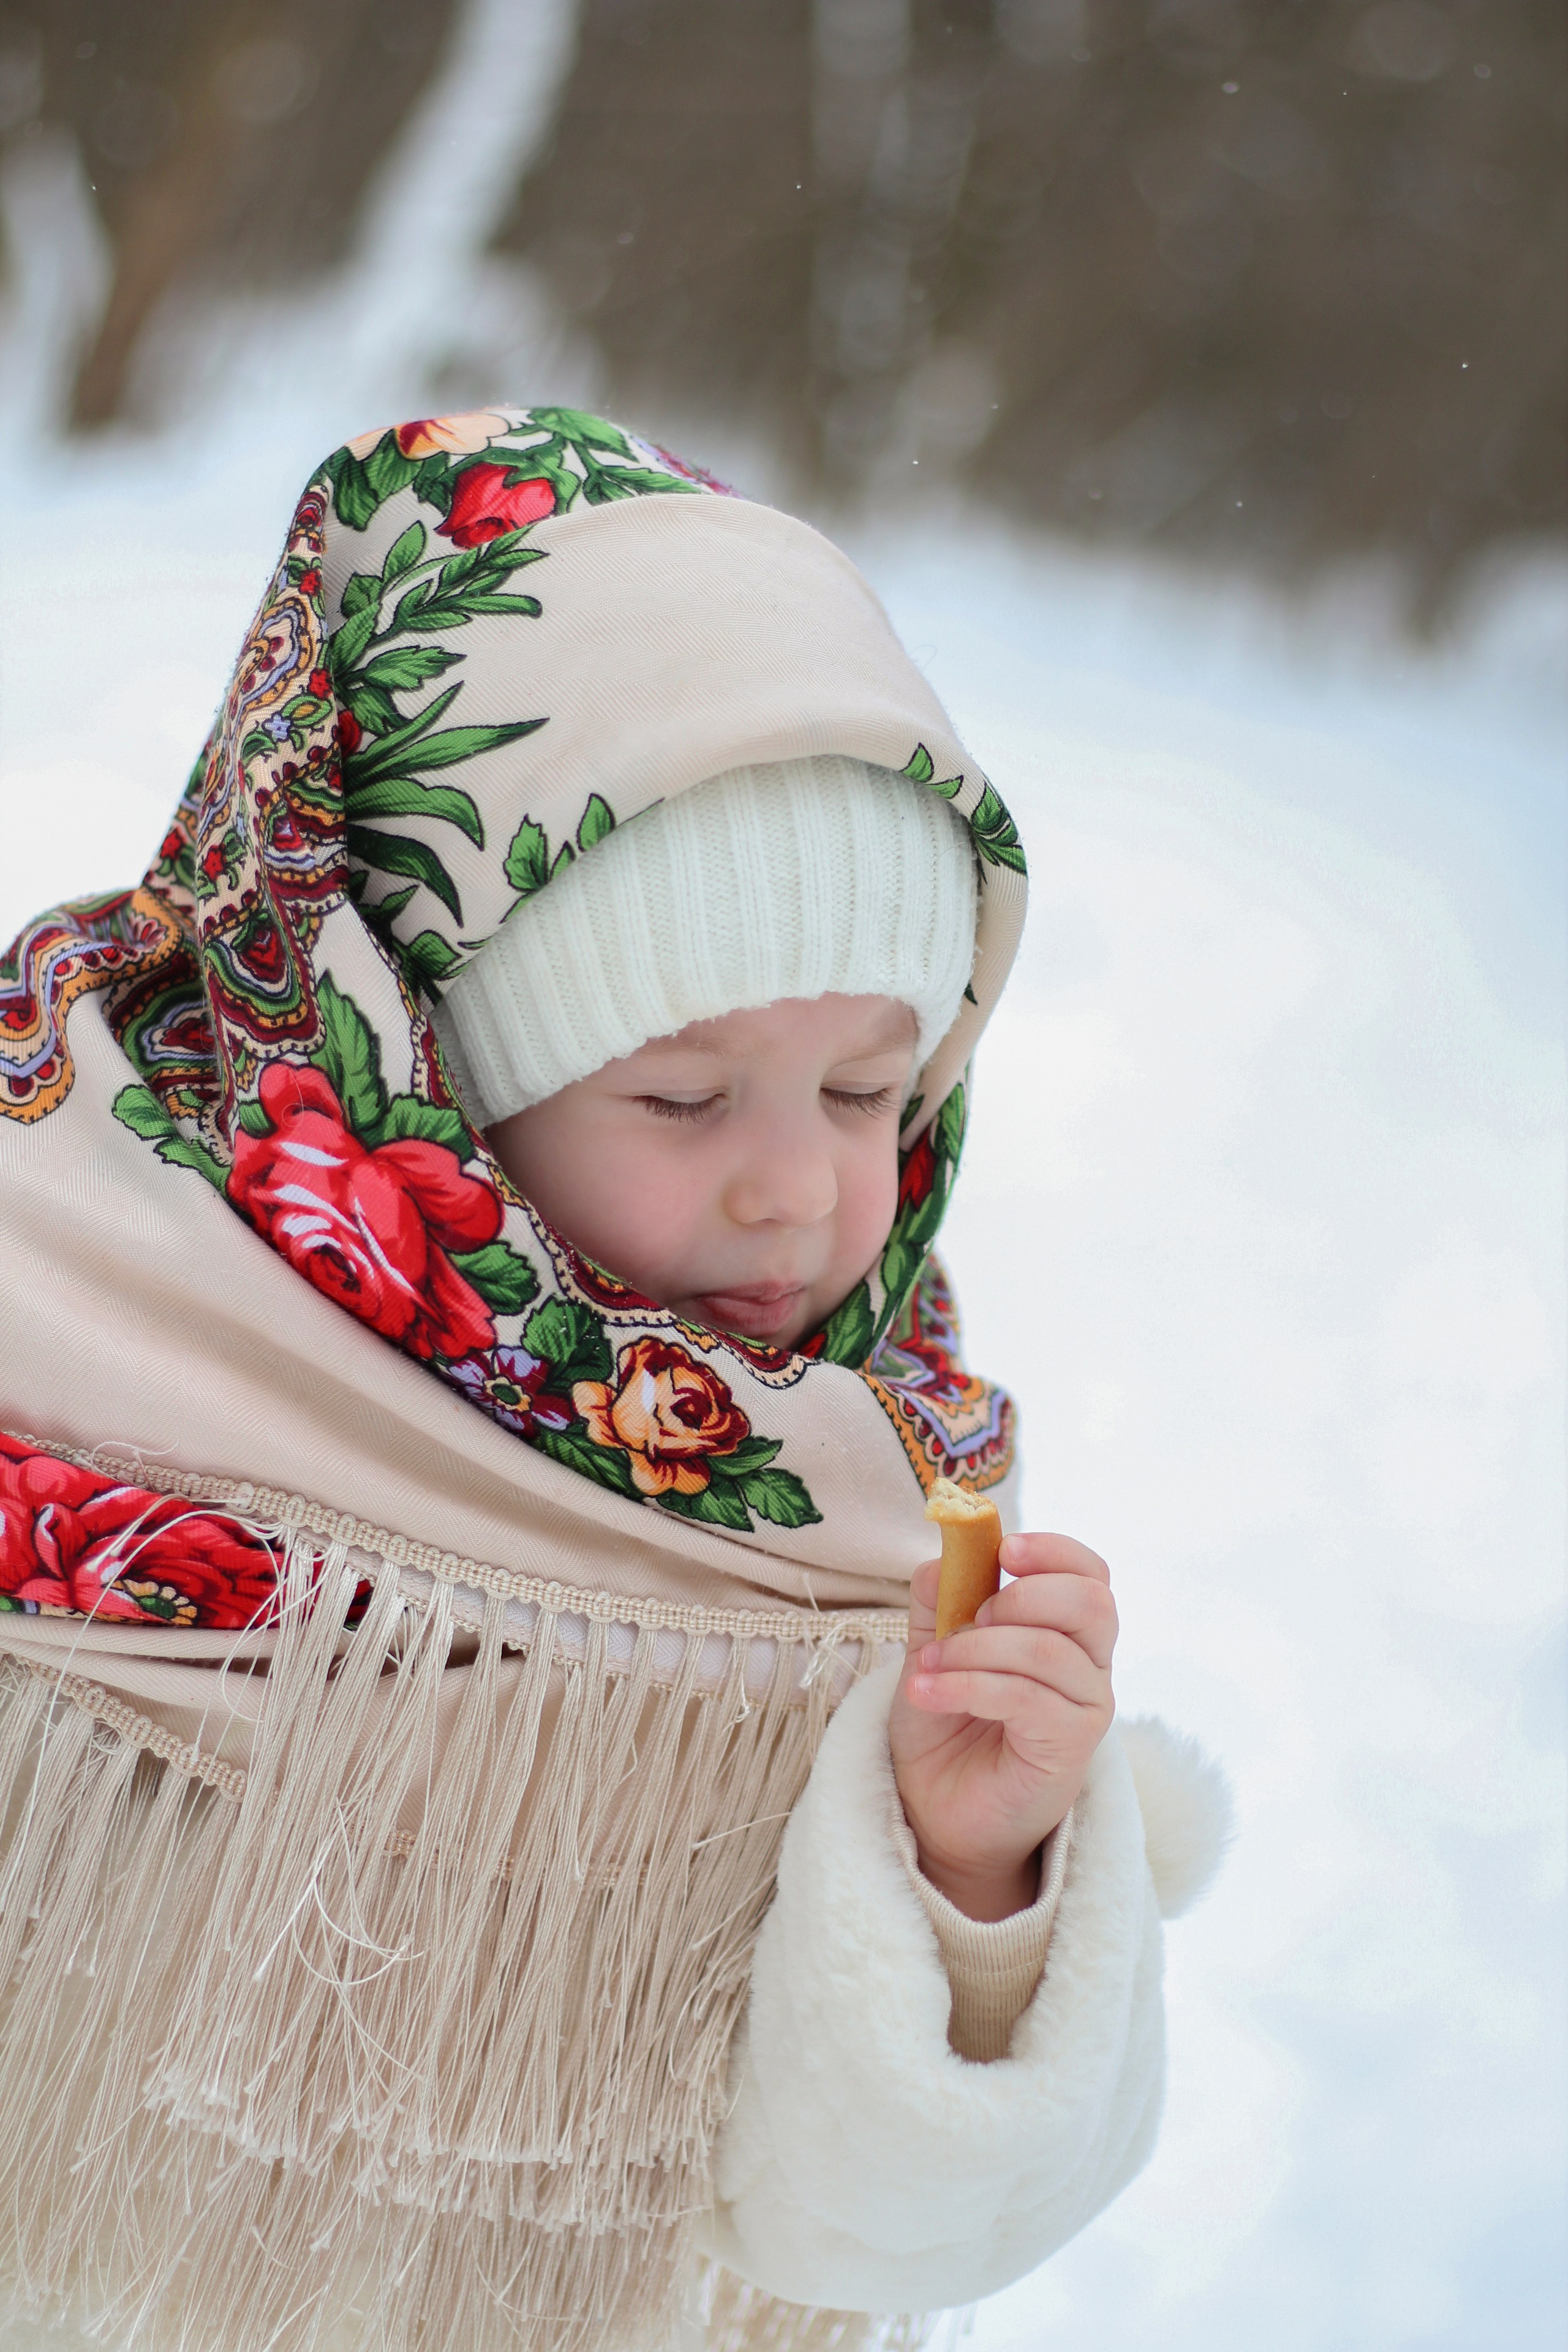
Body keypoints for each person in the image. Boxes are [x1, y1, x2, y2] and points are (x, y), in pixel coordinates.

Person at [0, 406, 1228, 2352]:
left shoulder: (874, 1495)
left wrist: (973, 1867)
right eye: (678, 1090)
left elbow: (878, 2240)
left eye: (866, 1093)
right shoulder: (54, 1308)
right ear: (405, 1045)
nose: (802, 1186)